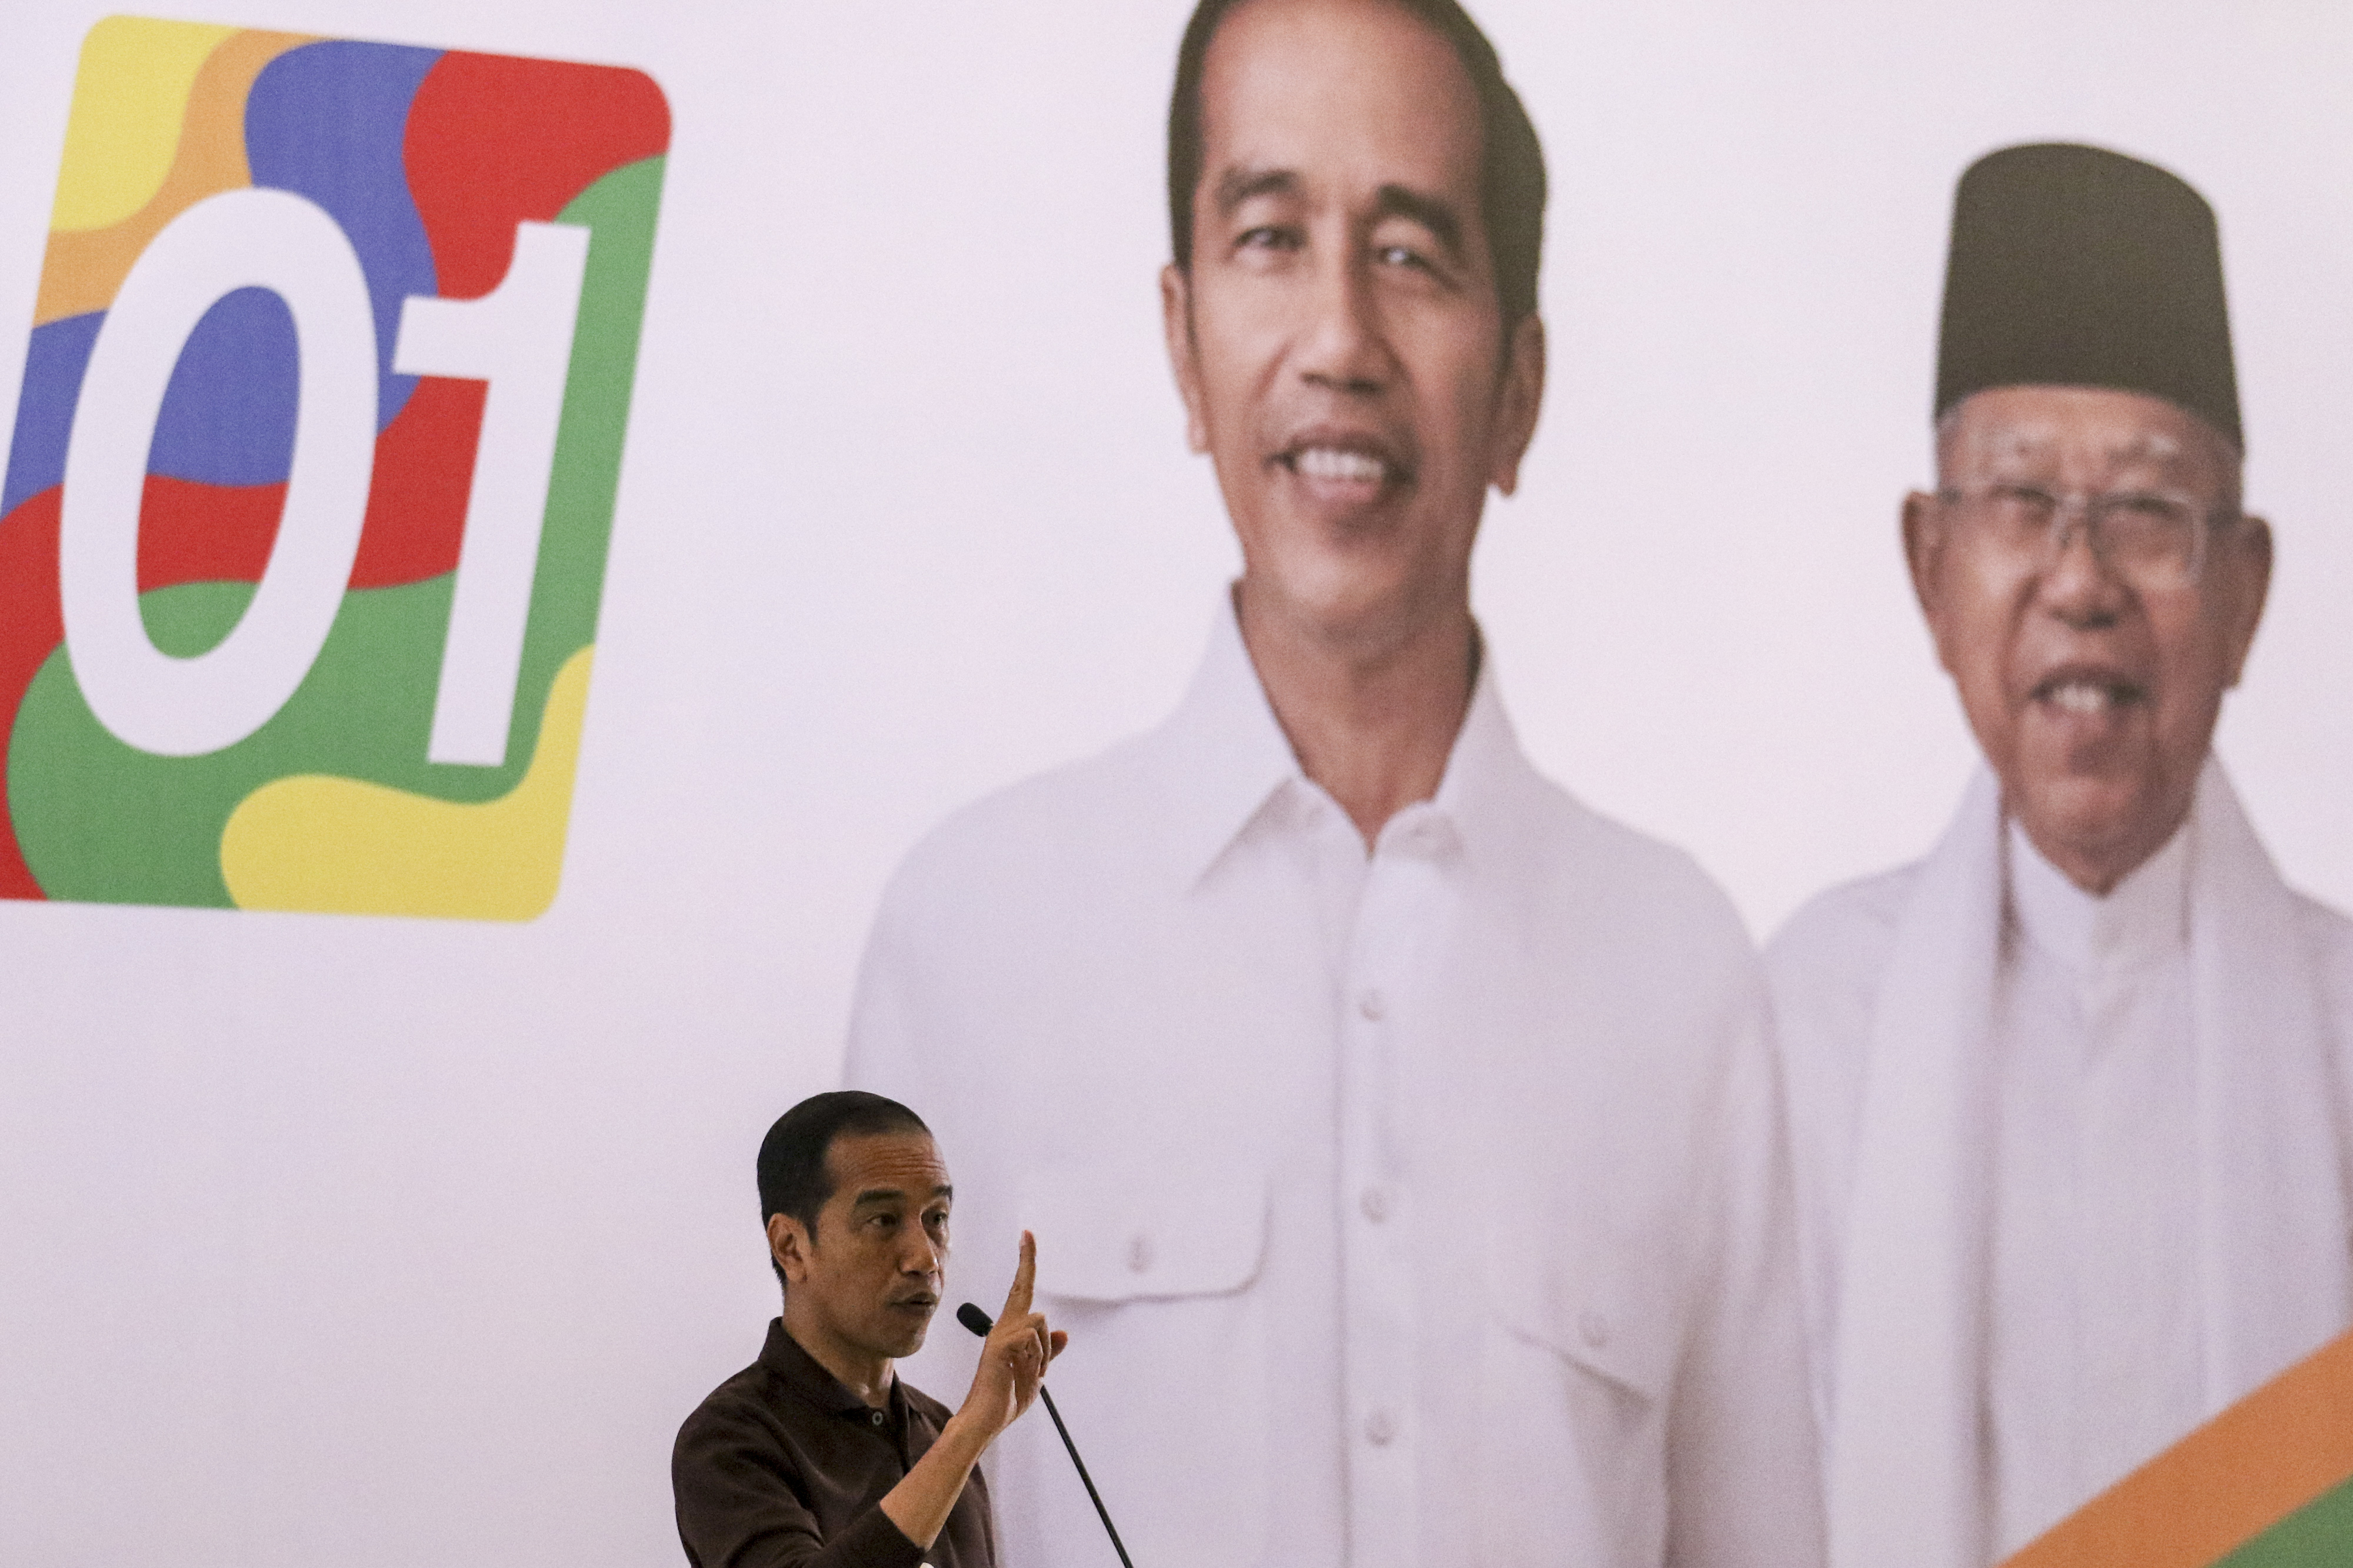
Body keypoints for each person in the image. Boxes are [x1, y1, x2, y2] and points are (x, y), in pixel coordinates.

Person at [844, 2, 1824, 1564]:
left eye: (1413, 253)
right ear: (1182, 341)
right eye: (1270, 237)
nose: (1341, 341)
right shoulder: (974, 934)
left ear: (1519, 389)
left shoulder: (1679, 971)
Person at [1768, 142, 2353, 1568]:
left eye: (2146, 512)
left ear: (2244, 593)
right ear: (1929, 568)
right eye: (2021, 503)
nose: (2079, 582)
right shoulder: (1801, 1028)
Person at [672, 1091, 1064, 1568]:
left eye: (937, 1219)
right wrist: (968, 1435)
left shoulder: (937, 1429)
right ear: (791, 1247)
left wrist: (960, 1438)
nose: (926, 1258)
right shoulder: (729, 1440)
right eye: (884, 1221)